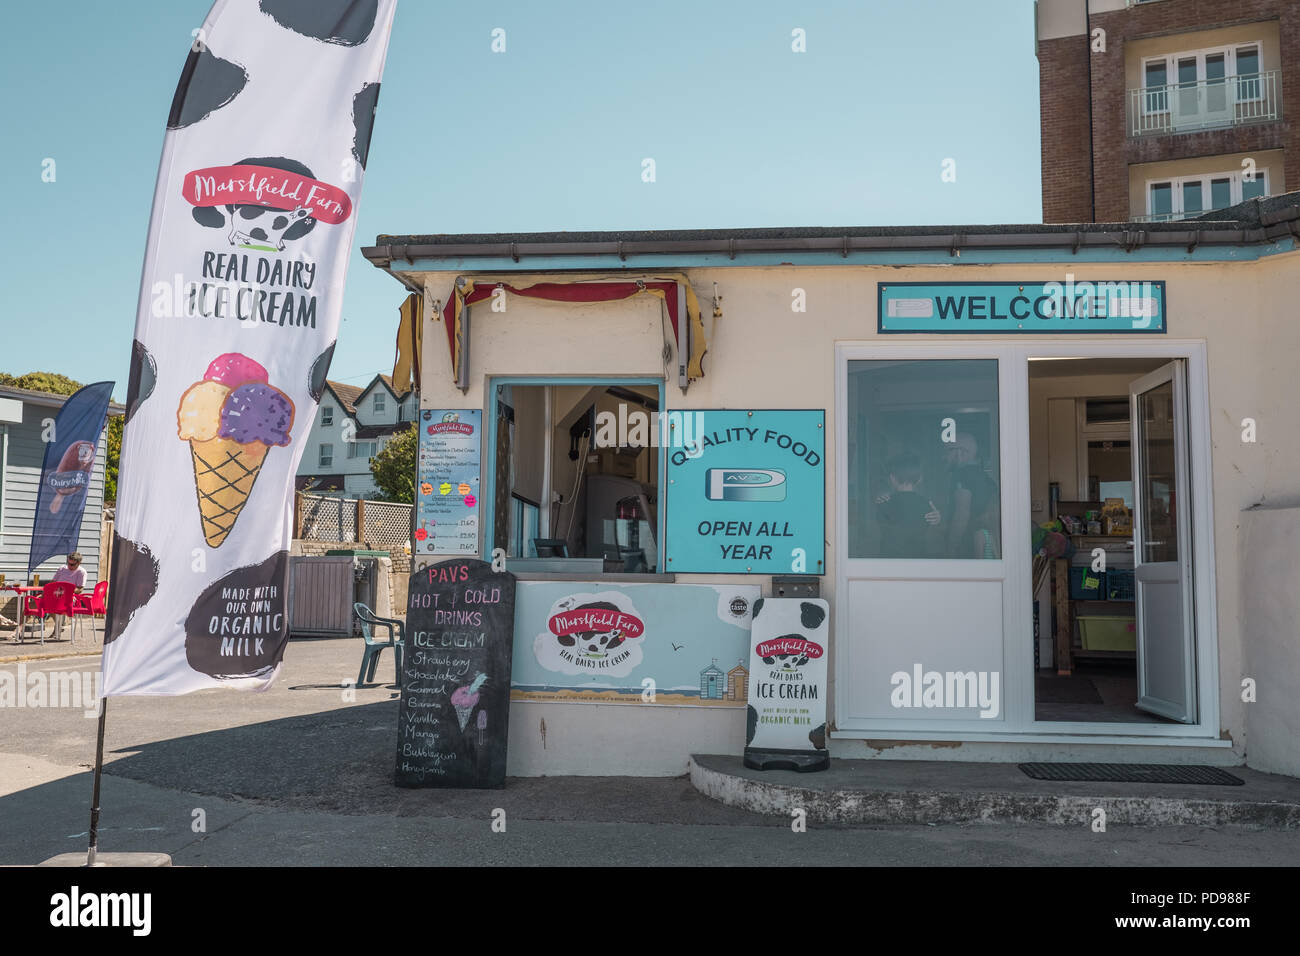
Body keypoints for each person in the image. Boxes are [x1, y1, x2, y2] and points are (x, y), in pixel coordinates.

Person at [942, 433, 997, 558]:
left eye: (947, 451)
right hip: (984, 546)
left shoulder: (961, 475)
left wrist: (951, 550)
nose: (944, 457)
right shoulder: (988, 480)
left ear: (960, 453)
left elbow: (961, 514)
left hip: (966, 548)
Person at [874, 454, 941, 557]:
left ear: (892, 478)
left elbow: (880, 527)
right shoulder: (927, 504)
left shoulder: (884, 502)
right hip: (917, 556)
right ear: (919, 479)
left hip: (890, 557)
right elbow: (933, 535)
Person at [50, 552, 85, 640]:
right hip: (56, 594)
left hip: (69, 598)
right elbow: (52, 582)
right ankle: (19, 631)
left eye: (72, 564)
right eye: (68, 563)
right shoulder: (62, 569)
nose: (69, 566)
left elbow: (80, 589)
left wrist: (67, 591)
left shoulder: (81, 572)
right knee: (33, 604)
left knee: (53, 605)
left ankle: (58, 627)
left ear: (79, 563)